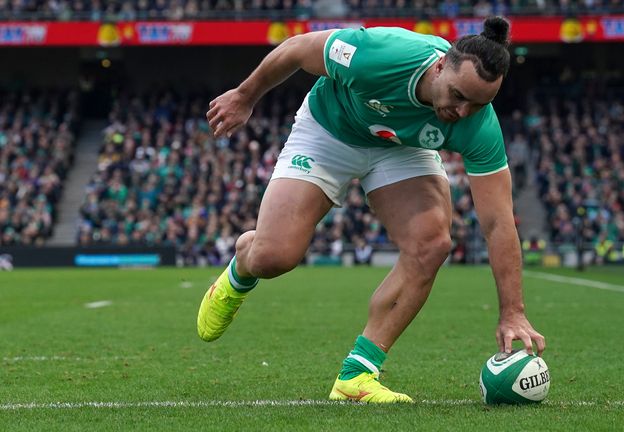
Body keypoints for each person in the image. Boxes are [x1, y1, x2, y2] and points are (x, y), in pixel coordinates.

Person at [197, 17, 545, 403]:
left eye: (479, 103)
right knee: (273, 257)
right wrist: (245, 96)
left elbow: (498, 223)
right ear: (441, 65)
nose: (464, 111)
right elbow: (296, 48)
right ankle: (243, 264)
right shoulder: (379, 55)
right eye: (459, 95)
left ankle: (357, 375)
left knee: (431, 244)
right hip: (331, 130)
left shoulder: (479, 125)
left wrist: (513, 311)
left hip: (400, 148)